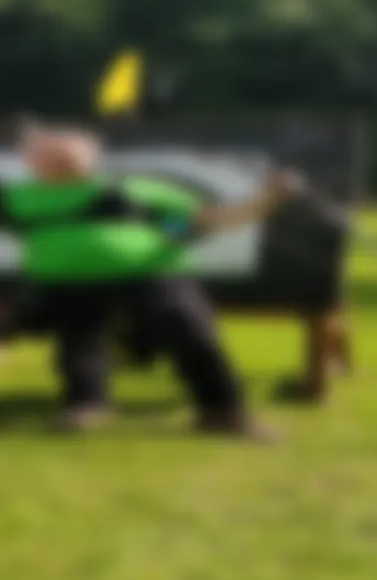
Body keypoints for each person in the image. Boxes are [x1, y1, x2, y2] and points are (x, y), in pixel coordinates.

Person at [0, 124, 302, 439]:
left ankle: (223, 413)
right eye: (50, 153)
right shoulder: (21, 198)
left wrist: (268, 200)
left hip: (152, 274)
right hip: (65, 283)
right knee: (79, 341)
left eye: (68, 151)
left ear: (93, 155)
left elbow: (209, 220)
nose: (62, 158)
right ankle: (86, 405)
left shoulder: (138, 190)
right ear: (31, 162)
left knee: (191, 333)